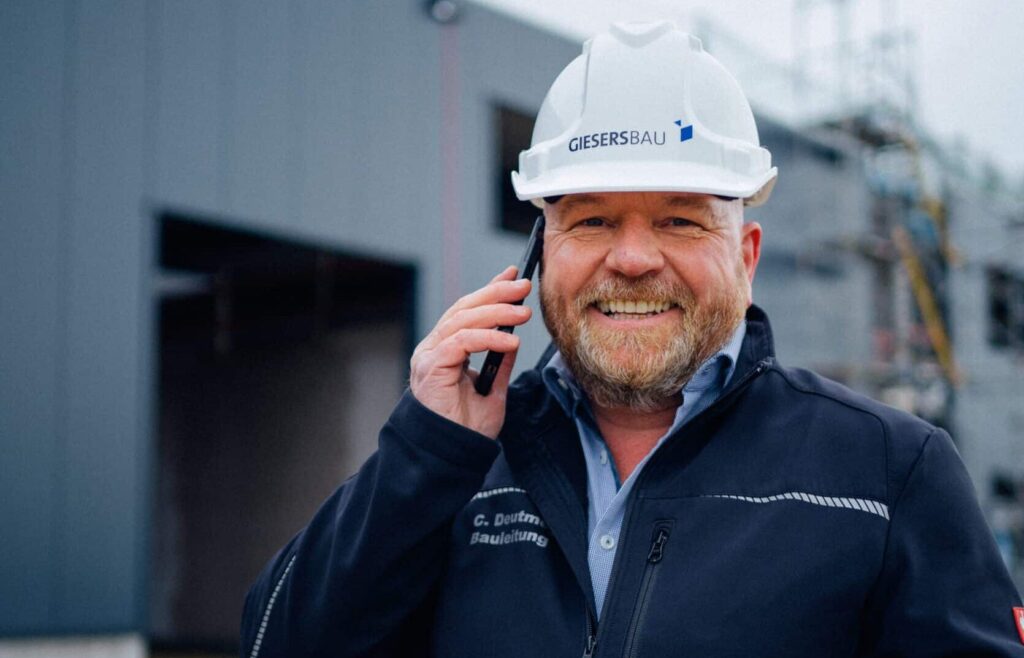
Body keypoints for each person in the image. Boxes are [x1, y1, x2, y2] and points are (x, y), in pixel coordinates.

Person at [241, 21, 1024, 657]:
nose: (634, 257)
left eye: (680, 219)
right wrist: (425, 453)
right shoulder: (452, 467)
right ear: (539, 257)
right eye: (591, 220)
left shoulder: (889, 473)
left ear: (745, 257)